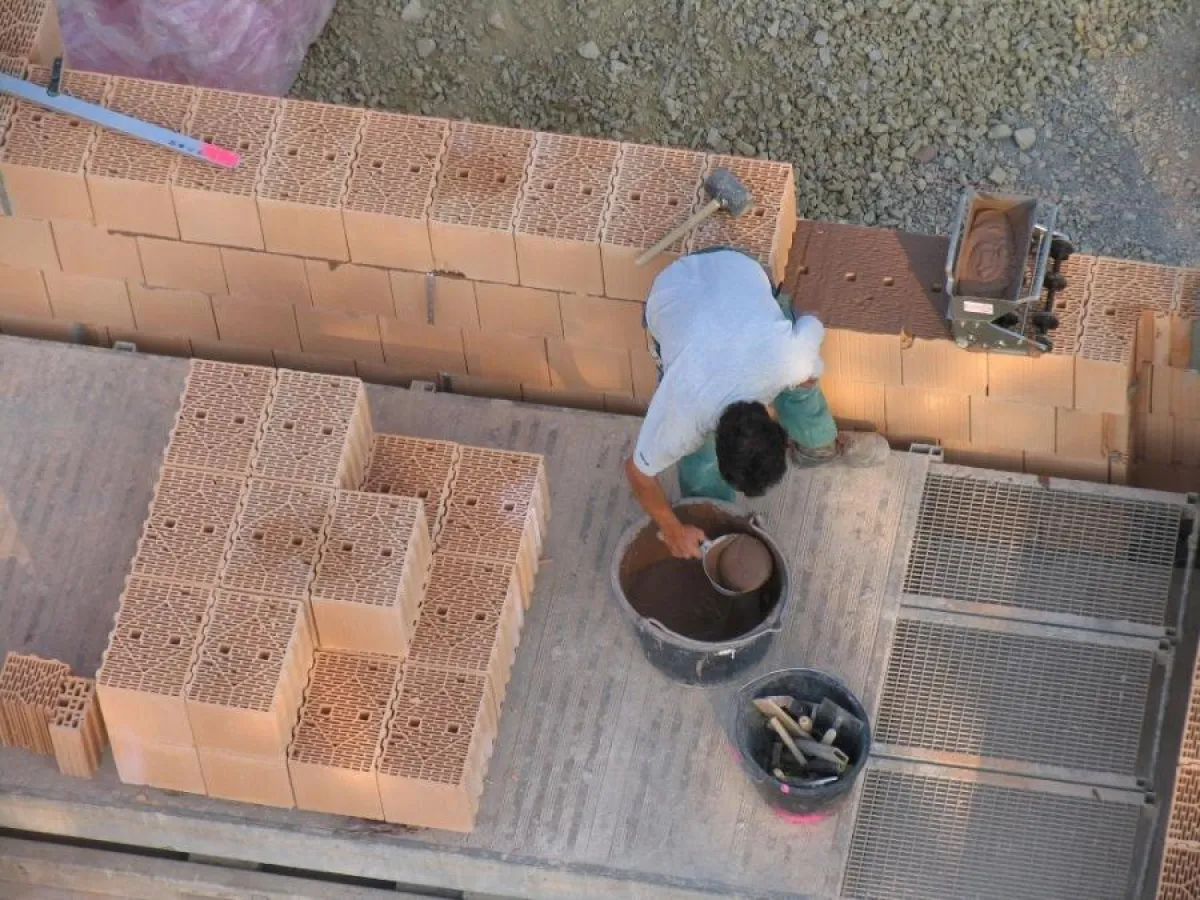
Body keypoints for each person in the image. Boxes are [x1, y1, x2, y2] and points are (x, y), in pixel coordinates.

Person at [623, 248, 838, 559]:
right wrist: (671, 528)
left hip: (736, 268)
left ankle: (819, 443)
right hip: (673, 291)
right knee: (699, 460)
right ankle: (713, 514)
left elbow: (813, 318)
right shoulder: (682, 414)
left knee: (805, 378)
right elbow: (636, 472)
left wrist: (794, 355)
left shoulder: (790, 360)